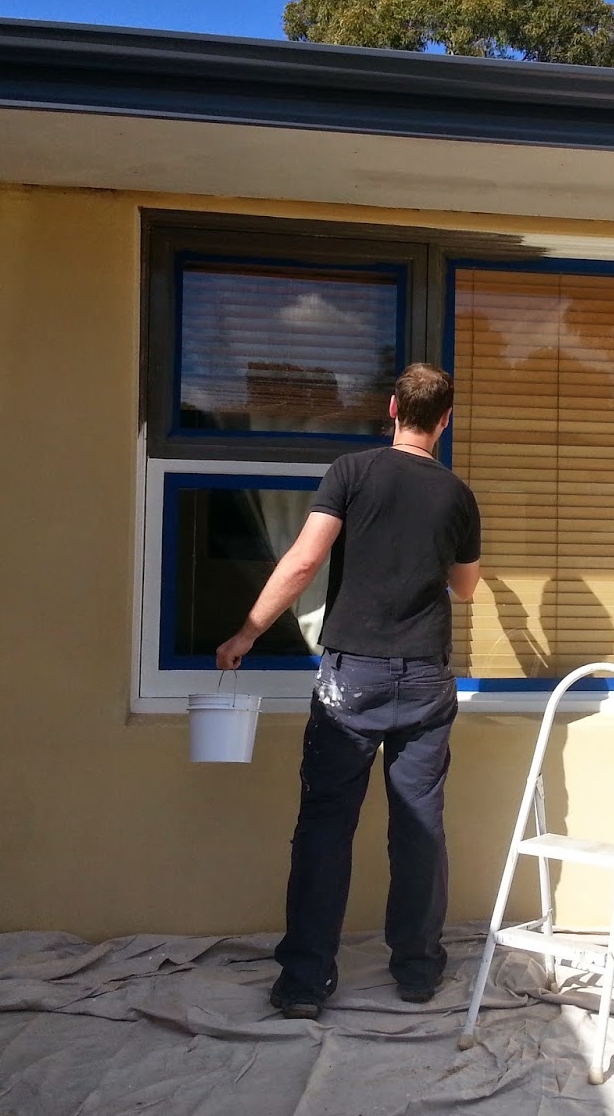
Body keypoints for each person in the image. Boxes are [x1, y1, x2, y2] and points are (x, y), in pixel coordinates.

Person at [216, 363, 481, 1020]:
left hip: (352, 678)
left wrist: (247, 633)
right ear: (444, 420)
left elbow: (303, 561)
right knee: (418, 827)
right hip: (424, 677)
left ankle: (306, 982)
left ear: (392, 408)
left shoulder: (352, 472)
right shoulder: (457, 495)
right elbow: (467, 587)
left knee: (325, 826)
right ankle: (417, 971)